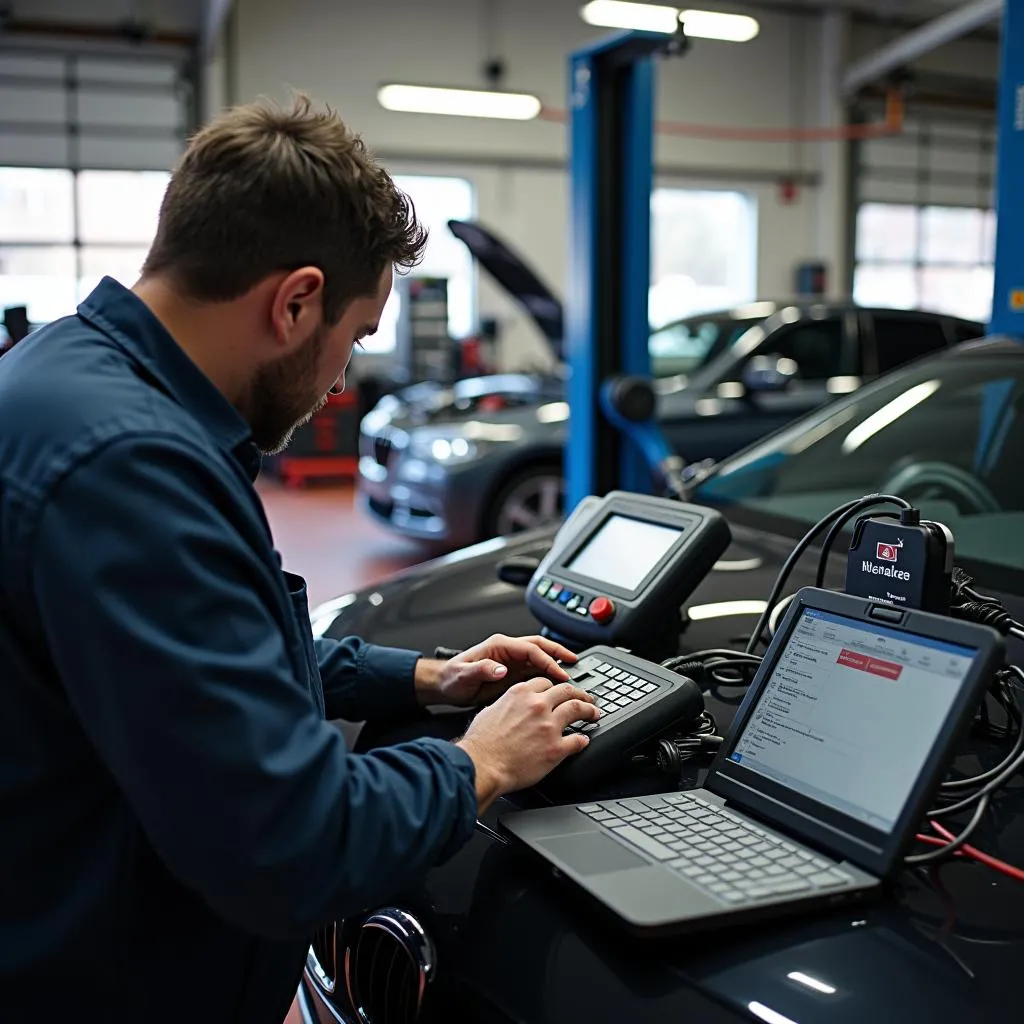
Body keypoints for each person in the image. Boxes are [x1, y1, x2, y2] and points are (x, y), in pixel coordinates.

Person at [0, 95, 599, 1023]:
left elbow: (190, 661)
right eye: (354, 338)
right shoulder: (131, 465)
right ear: (295, 302)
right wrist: (479, 763)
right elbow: (287, 845)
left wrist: (429, 679)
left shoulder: (65, 378)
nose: (342, 382)